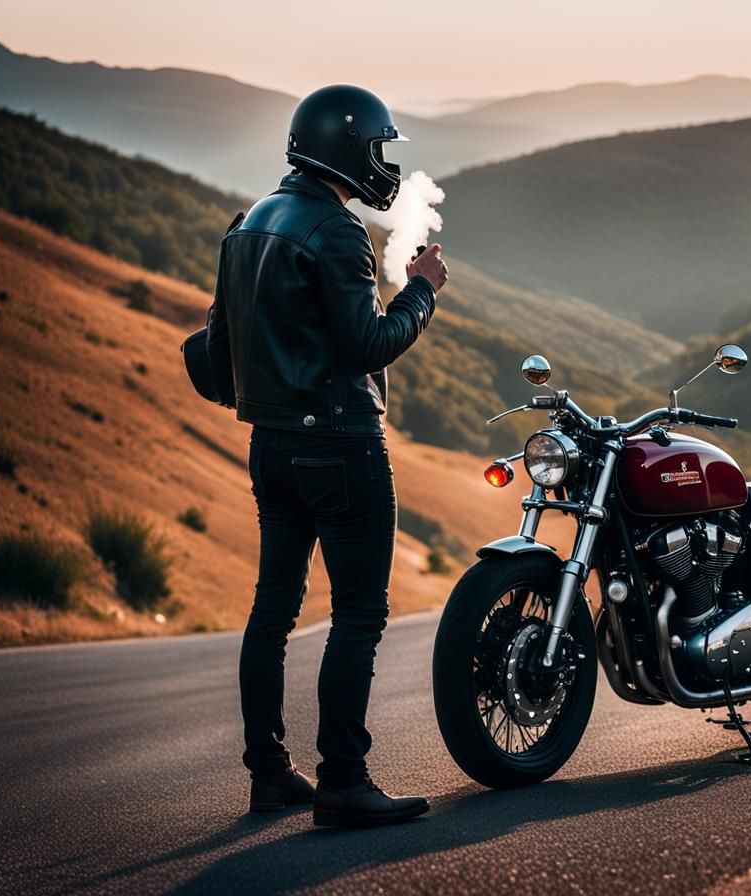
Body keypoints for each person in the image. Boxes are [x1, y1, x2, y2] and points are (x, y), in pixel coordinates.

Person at [205, 84, 449, 827]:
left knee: (273, 611)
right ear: (347, 148)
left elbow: (218, 356)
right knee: (358, 616)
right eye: (378, 147)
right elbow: (368, 346)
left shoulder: (249, 223)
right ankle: (344, 780)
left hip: (271, 445)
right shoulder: (338, 232)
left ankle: (271, 773)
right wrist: (421, 293)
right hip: (340, 444)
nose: (382, 163)